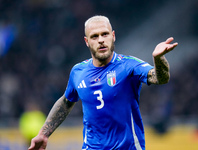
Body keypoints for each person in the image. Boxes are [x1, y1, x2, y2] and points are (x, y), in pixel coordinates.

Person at [28, 15, 178, 150]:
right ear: (86, 41)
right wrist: (44, 133)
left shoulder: (129, 66)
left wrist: (159, 59)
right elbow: (66, 101)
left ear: (113, 36)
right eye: (94, 36)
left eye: (105, 34)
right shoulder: (78, 72)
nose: (101, 40)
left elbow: (160, 78)